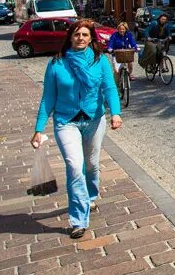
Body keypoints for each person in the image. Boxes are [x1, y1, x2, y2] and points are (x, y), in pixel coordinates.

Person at [31, 19, 122, 239]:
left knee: (90, 165)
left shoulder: (99, 62)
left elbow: (109, 88)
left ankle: (90, 195)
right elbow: (48, 98)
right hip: (66, 121)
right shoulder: (56, 64)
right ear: (70, 37)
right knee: (74, 166)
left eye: (84, 35)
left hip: (94, 119)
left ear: (91, 39)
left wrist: (116, 113)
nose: (80, 38)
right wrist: (38, 128)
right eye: (76, 34)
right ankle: (78, 220)